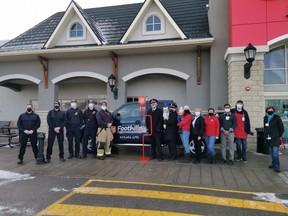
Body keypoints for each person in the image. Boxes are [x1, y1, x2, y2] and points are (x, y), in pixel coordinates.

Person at [264, 106, 284, 173]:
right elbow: (265, 128)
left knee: (275, 153)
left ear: (273, 110)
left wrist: (278, 135)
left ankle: (277, 166)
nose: (270, 110)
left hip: (275, 138)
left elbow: (281, 128)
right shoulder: (265, 118)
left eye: (271, 109)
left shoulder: (277, 118)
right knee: (271, 152)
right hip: (268, 138)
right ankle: (273, 163)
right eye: (269, 109)